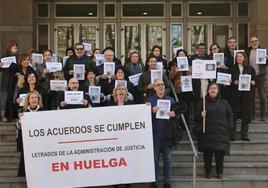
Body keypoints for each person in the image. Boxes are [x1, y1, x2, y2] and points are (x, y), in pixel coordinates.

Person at [193, 83, 233, 179]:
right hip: (207, 133)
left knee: (220, 154)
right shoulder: (202, 102)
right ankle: (208, 172)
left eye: (215, 88)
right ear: (207, 90)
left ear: (218, 90)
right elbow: (196, 118)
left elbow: (230, 116)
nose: (213, 89)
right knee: (208, 154)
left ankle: (219, 172)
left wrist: (229, 127)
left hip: (221, 132)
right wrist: (201, 115)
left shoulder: (224, 102)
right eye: (211, 88)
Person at [147, 79, 178, 188]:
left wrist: (174, 113)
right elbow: (144, 118)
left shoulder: (171, 100)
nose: (161, 86)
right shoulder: (149, 101)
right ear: (154, 87)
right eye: (158, 85)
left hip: (167, 134)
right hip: (154, 135)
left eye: (162, 84)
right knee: (154, 160)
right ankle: (154, 182)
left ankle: (167, 182)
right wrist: (150, 111)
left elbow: (177, 114)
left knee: (168, 159)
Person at [17, 90, 44, 177]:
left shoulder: (44, 111)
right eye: (32, 97)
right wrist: (20, 121)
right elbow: (18, 127)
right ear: (28, 100)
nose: (34, 99)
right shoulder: (23, 111)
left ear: (38, 99)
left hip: (40, 143)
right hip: (27, 143)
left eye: (36, 97)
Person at [230, 52, 256, 141]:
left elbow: (254, 81)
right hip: (235, 94)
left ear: (244, 58)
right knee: (233, 113)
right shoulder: (232, 68)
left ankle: (244, 134)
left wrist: (252, 82)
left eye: (240, 56)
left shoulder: (250, 69)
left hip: (246, 95)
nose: (238, 58)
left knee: (245, 113)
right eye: (237, 57)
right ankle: (232, 134)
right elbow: (228, 81)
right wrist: (233, 82)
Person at [245, 36, 267, 121]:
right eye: (252, 41)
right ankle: (252, 115)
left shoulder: (263, 51)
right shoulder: (247, 51)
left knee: (262, 96)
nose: (254, 42)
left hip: (261, 76)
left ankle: (263, 116)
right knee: (251, 97)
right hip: (251, 76)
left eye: (256, 41)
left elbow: (266, 64)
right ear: (250, 43)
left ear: (258, 42)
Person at [1, 40, 20, 122]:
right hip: (5, 80)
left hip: (13, 80)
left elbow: (17, 68)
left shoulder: (17, 57)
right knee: (4, 98)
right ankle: (4, 116)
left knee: (12, 98)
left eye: (16, 47)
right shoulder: (4, 56)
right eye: (13, 47)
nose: (15, 49)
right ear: (10, 47)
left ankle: (12, 116)